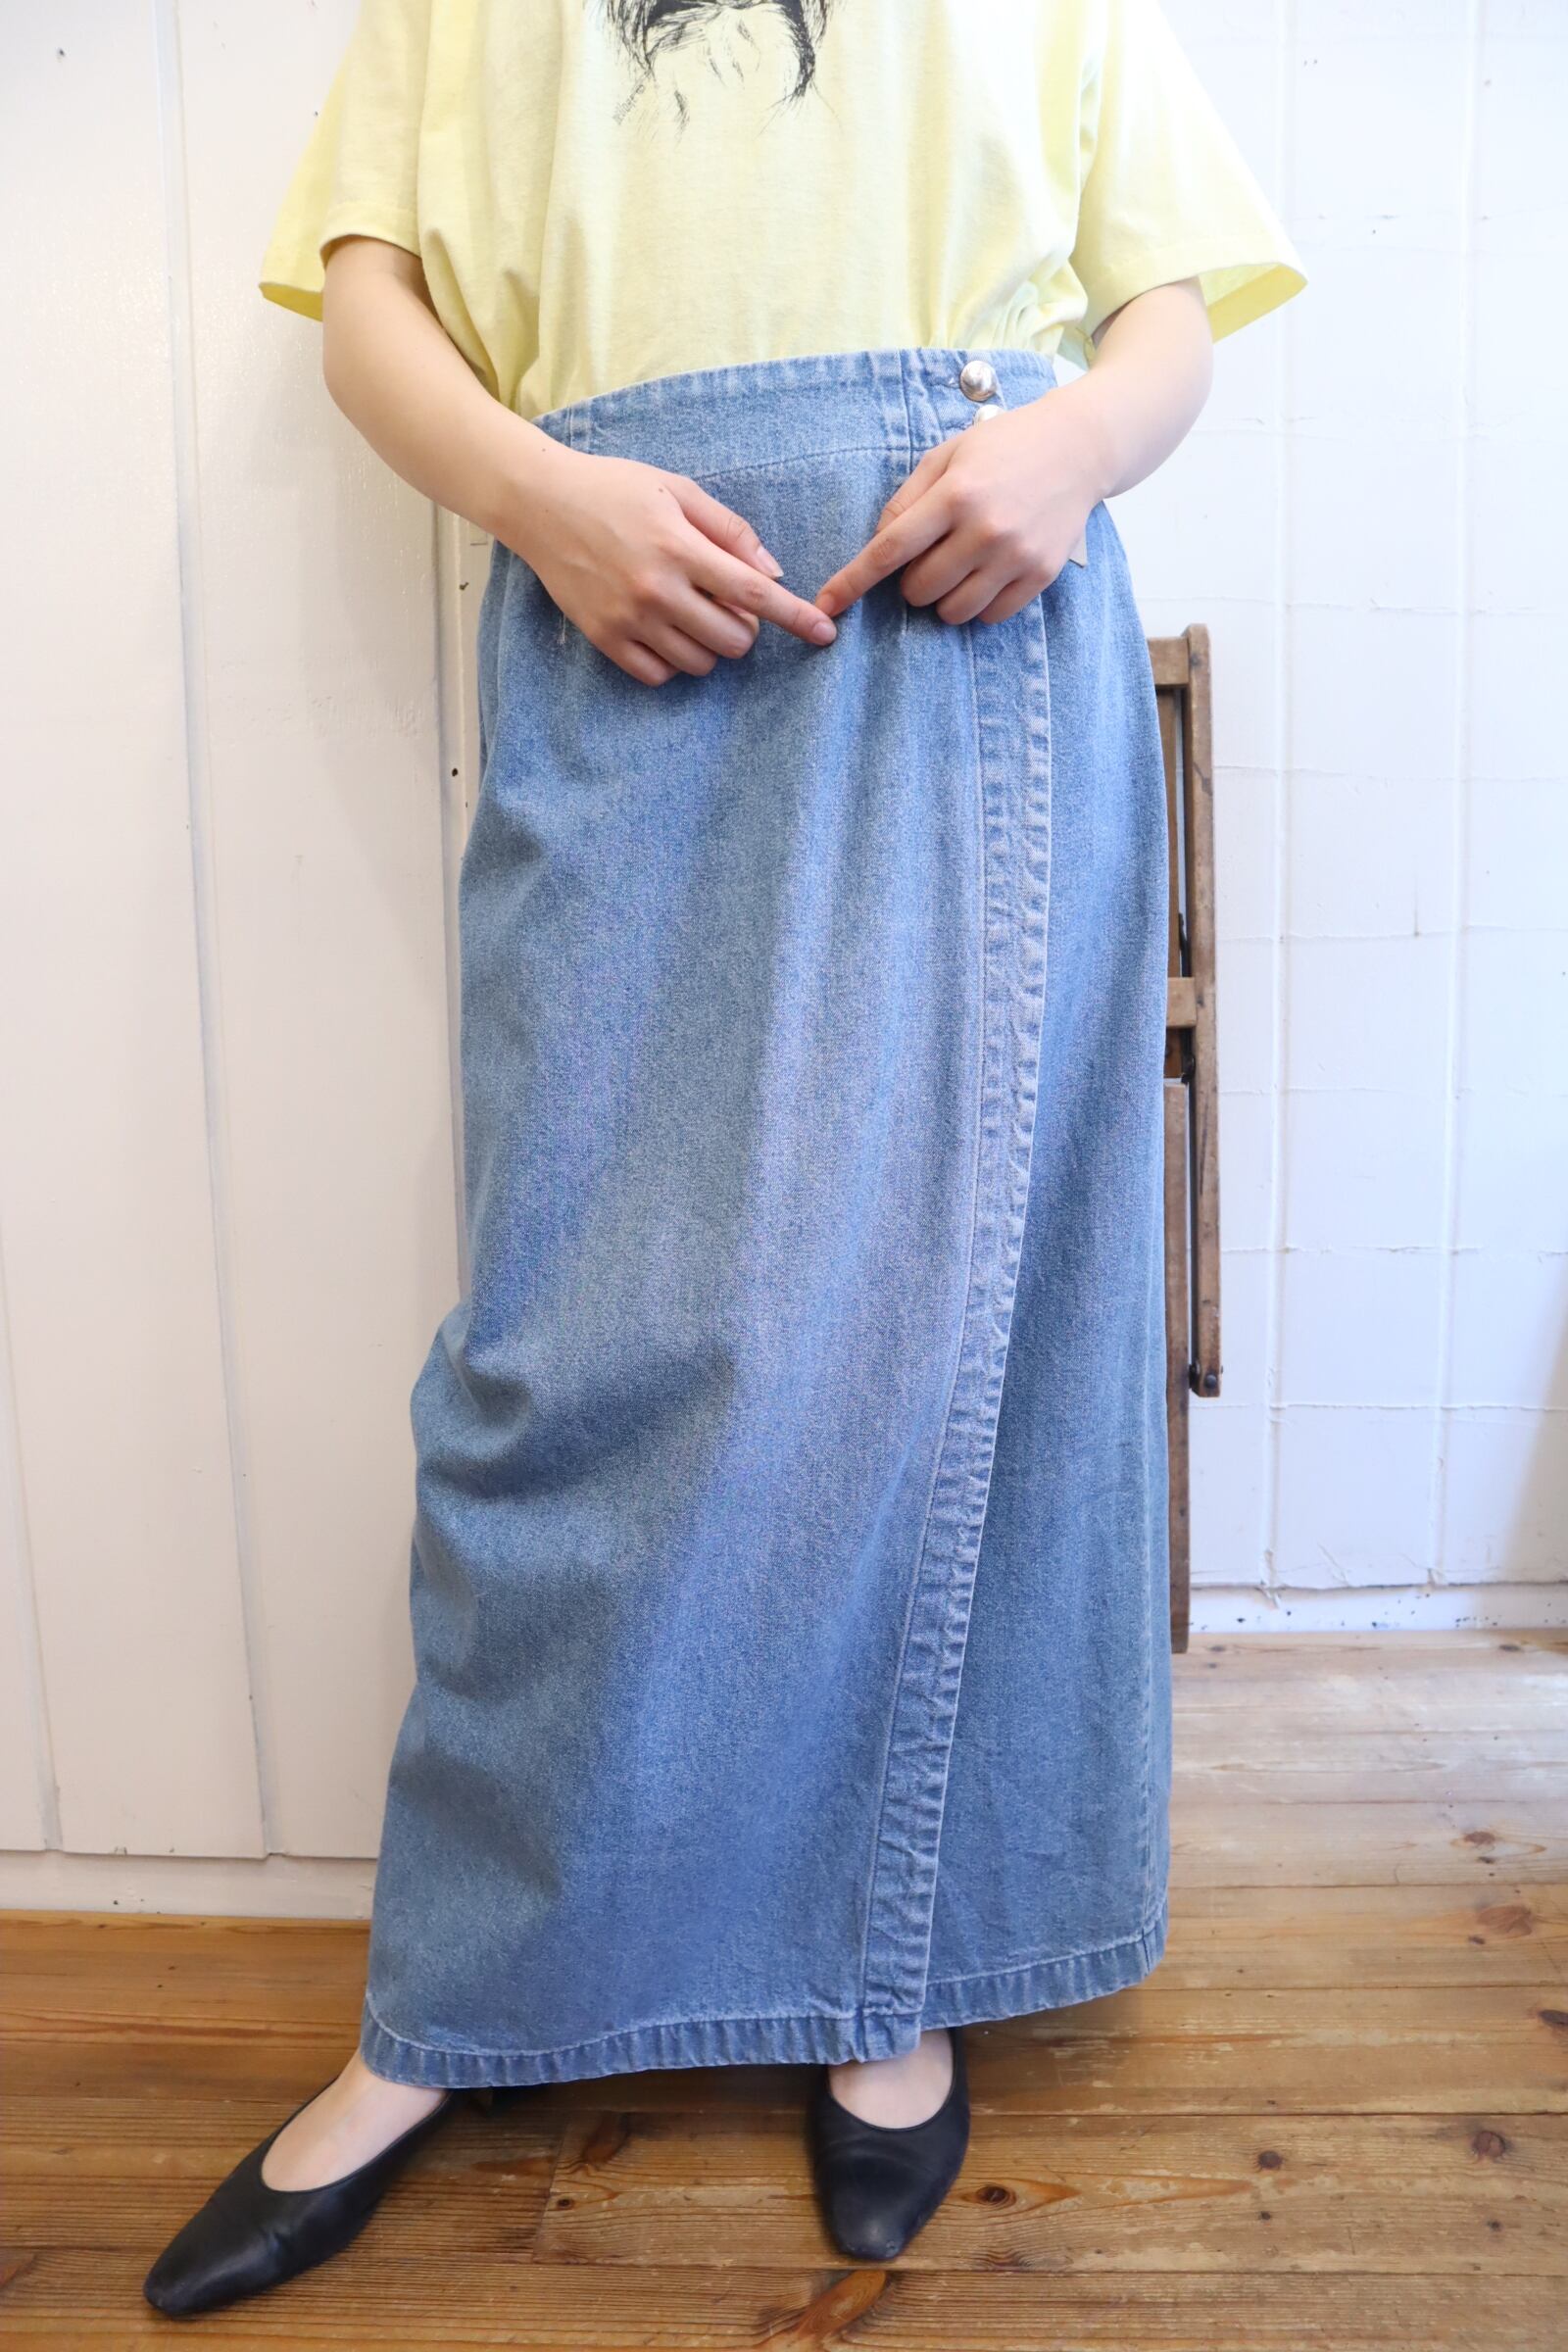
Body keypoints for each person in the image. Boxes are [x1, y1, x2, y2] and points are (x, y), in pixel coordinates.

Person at [144, 0, 1304, 2317]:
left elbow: (1161, 308)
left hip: (963, 630)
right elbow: (368, 305)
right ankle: (449, 2004)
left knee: (940, 1326)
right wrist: (532, 493)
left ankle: (901, 1969)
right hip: (622, 622)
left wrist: (1069, 447)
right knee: (572, 1350)